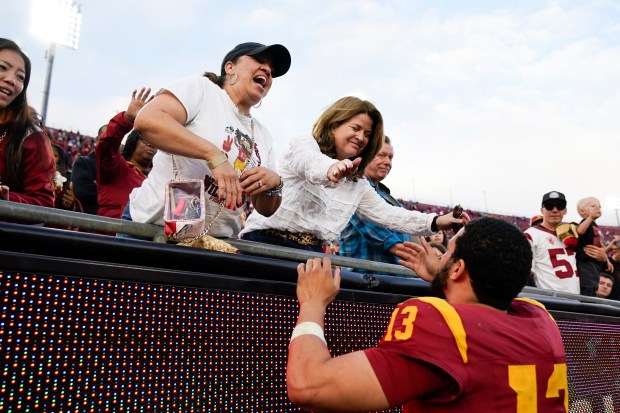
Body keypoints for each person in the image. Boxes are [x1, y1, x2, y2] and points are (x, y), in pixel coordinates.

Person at [286, 217, 568, 412]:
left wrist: (312, 303)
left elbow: (309, 386)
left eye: (448, 253)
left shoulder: (444, 326)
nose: (440, 257)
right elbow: (482, 316)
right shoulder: (541, 319)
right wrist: (444, 277)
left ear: (458, 269)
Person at [240, 96, 467, 251]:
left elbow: (389, 215)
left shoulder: (357, 183)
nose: (361, 137)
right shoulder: (304, 143)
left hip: (311, 255)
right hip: (265, 244)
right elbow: (309, 162)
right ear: (333, 126)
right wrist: (330, 169)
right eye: (355, 128)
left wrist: (437, 221)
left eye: (367, 134)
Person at [127, 42, 291, 238]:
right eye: (259, 60)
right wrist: (214, 156)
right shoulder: (203, 90)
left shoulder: (263, 135)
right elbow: (147, 120)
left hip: (214, 243)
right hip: (151, 230)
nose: (267, 70)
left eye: (272, 71)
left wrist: (273, 184)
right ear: (230, 67)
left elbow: (266, 209)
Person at [338, 136, 412, 273]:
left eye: (390, 157)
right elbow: (377, 232)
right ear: (365, 156)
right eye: (381, 155)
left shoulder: (390, 197)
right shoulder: (352, 187)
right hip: (364, 281)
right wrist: (415, 260)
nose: (387, 162)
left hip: (396, 280)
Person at [0, 38, 55, 207]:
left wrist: (7, 201)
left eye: (20, 77)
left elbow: (44, 203)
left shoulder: (31, 136)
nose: (11, 80)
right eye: (3, 67)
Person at [96, 87, 156, 219]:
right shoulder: (115, 167)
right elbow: (107, 144)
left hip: (142, 238)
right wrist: (127, 119)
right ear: (133, 142)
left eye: (154, 141)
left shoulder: (157, 179)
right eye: (144, 140)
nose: (151, 144)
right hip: (111, 237)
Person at [523, 191, 580, 294]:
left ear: (565, 210)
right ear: (541, 210)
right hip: (550, 302)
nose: (555, 210)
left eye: (560, 206)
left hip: (578, 300)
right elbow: (526, 273)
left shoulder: (574, 232)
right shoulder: (530, 235)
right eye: (549, 206)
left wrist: (602, 258)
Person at [575, 197, 613, 296]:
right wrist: (590, 218)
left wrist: (607, 260)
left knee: (594, 284)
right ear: (582, 211)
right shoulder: (586, 222)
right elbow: (579, 231)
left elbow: (602, 247)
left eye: (599, 206)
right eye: (593, 206)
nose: (597, 208)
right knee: (588, 285)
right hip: (586, 260)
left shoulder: (595, 226)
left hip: (595, 262)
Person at [72, 124, 106, 215]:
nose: (111, 140)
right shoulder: (83, 162)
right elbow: (81, 190)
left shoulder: (123, 167)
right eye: (107, 136)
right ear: (97, 139)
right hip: (88, 224)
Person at [51, 143, 81, 212]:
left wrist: (71, 204)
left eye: (55, 155)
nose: (50, 157)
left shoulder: (66, 182)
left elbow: (77, 212)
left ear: (61, 160)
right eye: (47, 153)